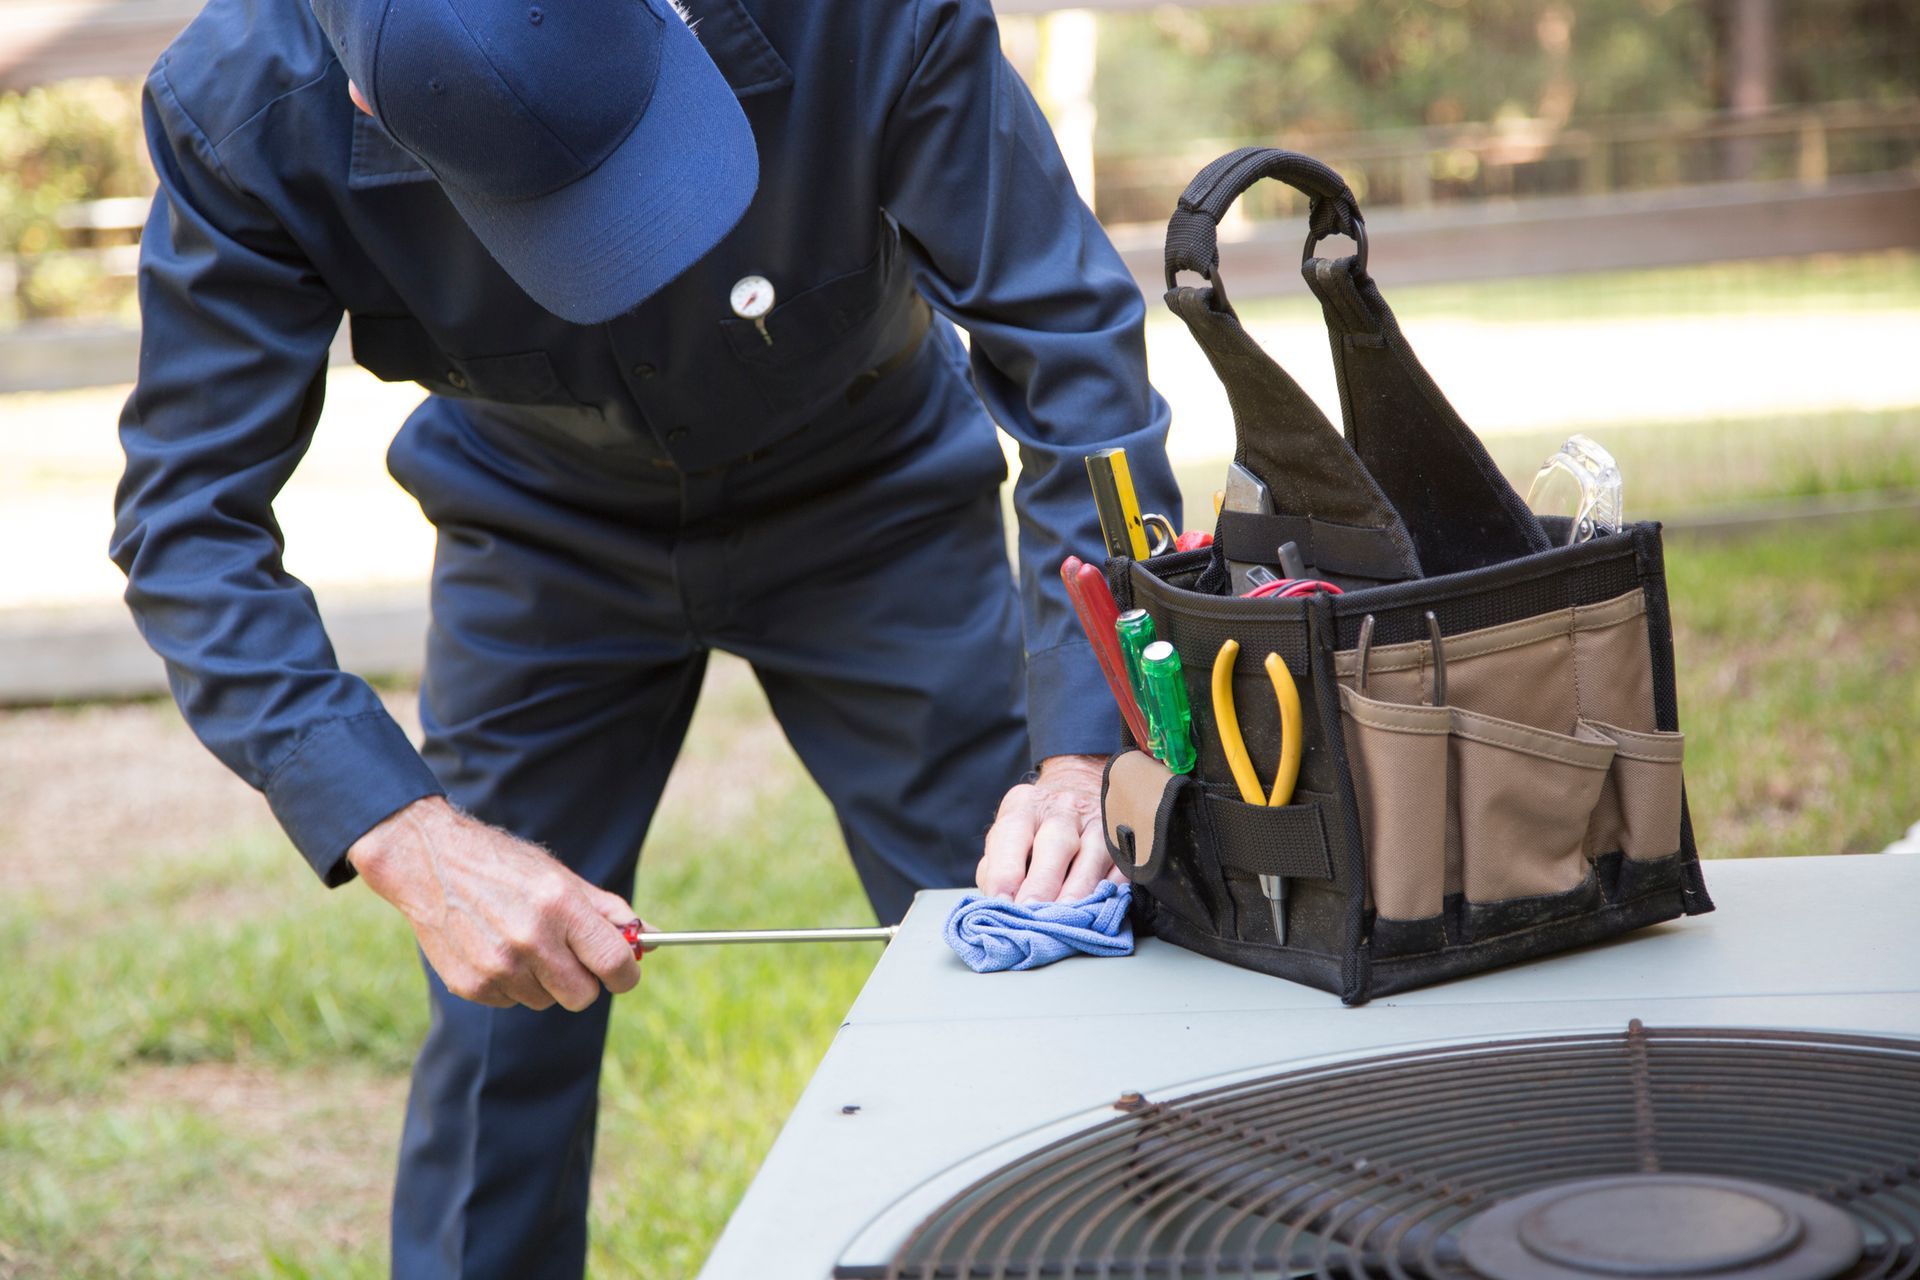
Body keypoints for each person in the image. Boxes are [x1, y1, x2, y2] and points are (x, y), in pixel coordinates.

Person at [112, 0, 1179, 1273]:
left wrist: (1078, 747)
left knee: (1022, 930)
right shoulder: (243, 104)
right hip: (539, 522)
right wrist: (410, 838)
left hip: (872, 491)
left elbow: (1069, 348)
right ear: (366, 105)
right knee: (509, 1001)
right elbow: (188, 519)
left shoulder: (870, 16)